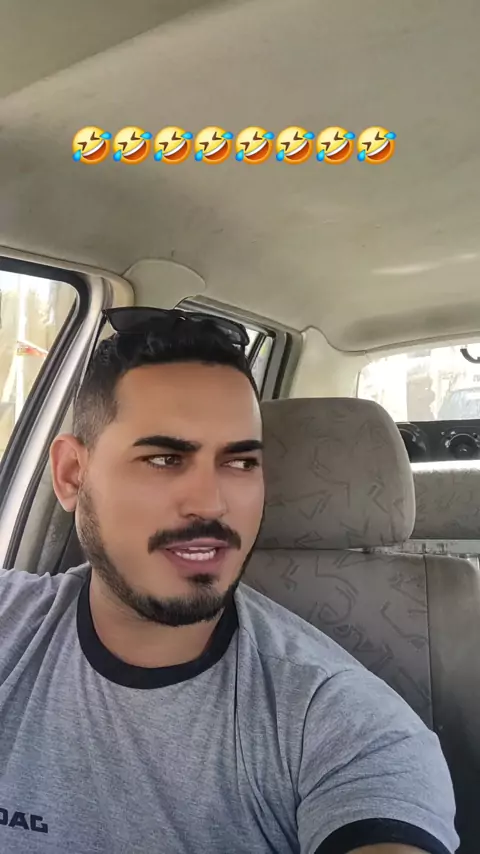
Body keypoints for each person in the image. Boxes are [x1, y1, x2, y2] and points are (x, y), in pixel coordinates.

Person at [0, 308, 458, 854]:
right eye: (165, 458)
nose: (211, 503)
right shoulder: (10, 626)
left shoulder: (344, 724)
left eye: (240, 464)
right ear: (72, 474)